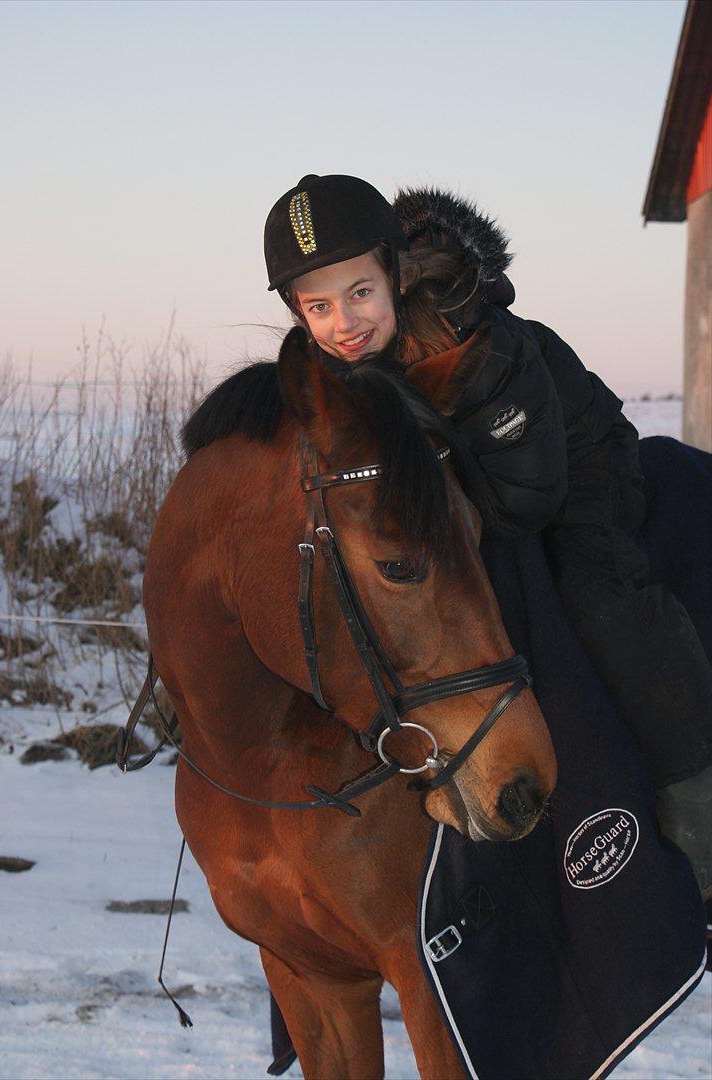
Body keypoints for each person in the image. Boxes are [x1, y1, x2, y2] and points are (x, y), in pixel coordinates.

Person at [263, 173, 712, 895]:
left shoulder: (471, 345)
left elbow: (523, 503)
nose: (344, 322)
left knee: (598, 595)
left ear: (394, 271)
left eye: (360, 294)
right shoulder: (335, 368)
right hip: (466, 493)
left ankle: (696, 801)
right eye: (318, 306)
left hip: (573, 469)